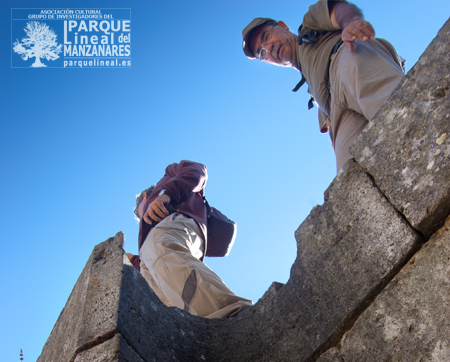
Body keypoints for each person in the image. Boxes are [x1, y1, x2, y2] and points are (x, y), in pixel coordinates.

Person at [242, 1, 405, 171]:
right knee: (349, 174)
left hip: (346, 59)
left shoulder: (309, 25)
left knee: (395, 113)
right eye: (261, 52)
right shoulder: (311, 87)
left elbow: (340, 9)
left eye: (266, 37)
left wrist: (351, 22)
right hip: (337, 109)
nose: (268, 48)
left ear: (283, 26)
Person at [135, 160, 253, 319]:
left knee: (163, 252)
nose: (140, 217)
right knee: (170, 297)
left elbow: (197, 170)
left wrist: (167, 194)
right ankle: (207, 329)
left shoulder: (167, 181)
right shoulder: (150, 242)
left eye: (138, 213)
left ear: (145, 196)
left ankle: (235, 315)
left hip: (175, 224)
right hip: (158, 247)